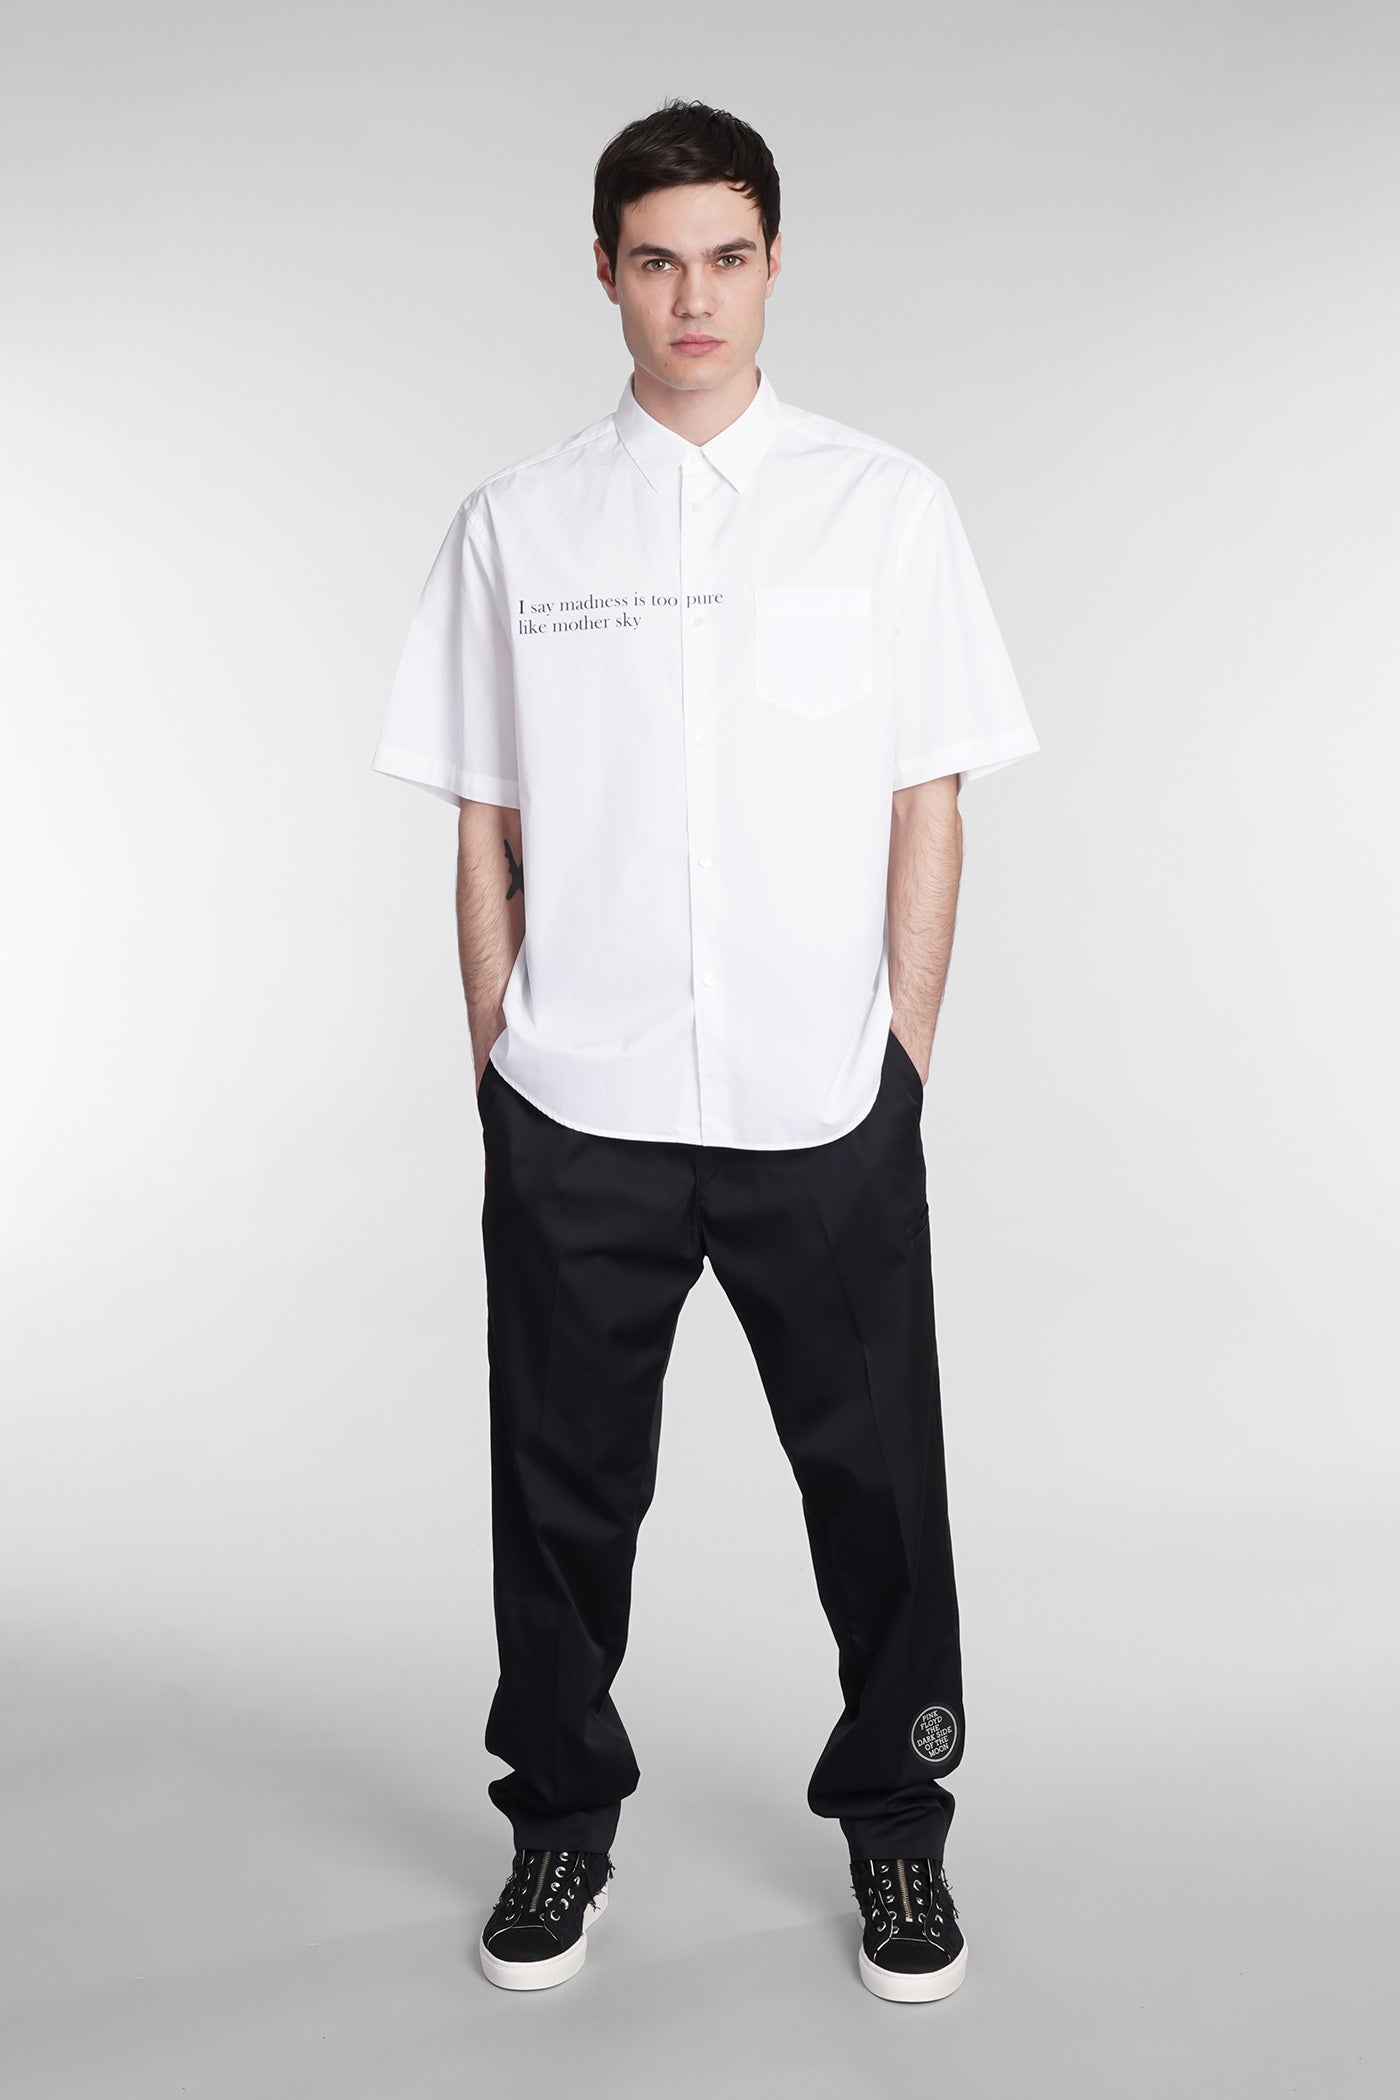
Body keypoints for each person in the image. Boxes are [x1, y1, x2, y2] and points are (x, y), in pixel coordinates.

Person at [372, 98, 1040, 2004]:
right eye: (656, 260)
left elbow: (929, 798)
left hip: (820, 1098)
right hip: (578, 1101)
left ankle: (898, 1830)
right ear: (604, 270)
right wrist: (499, 1065)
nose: (694, 299)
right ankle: (558, 1823)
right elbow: (485, 818)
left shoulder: (883, 507)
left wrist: (899, 1060)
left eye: (727, 258)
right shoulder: (518, 523)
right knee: (558, 1492)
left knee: (879, 1490)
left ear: (773, 265)